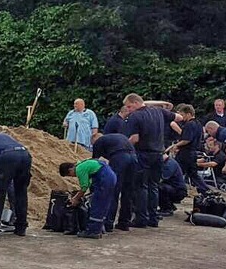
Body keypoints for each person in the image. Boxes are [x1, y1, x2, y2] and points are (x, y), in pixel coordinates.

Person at [122, 93, 179, 227]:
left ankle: (141, 219)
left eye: (129, 107)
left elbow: (135, 138)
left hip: (143, 154)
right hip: (158, 154)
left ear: (136, 103)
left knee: (141, 187)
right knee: (154, 186)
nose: (128, 110)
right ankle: (153, 218)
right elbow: (179, 117)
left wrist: (124, 145)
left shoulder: (135, 116)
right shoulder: (158, 111)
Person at [90, 132, 140, 231]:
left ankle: (108, 223)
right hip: (134, 158)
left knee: (113, 191)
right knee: (128, 192)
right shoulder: (118, 137)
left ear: (94, 140)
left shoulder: (98, 141)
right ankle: (124, 222)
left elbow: (94, 163)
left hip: (120, 158)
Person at [59, 157, 117, 239]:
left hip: (104, 179)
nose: (73, 176)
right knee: (103, 205)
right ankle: (99, 229)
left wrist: (75, 199)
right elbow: (89, 183)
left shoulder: (79, 169)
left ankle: (92, 231)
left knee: (97, 205)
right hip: (110, 177)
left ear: (70, 170)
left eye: (70, 175)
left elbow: (84, 187)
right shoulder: (84, 163)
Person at [165, 104, 212, 194]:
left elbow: (186, 140)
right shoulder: (198, 123)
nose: (182, 117)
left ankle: (173, 190)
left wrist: (175, 146)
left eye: (183, 115)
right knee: (193, 174)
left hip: (185, 153)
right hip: (193, 152)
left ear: (189, 114)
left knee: (175, 171)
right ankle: (205, 190)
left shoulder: (189, 124)